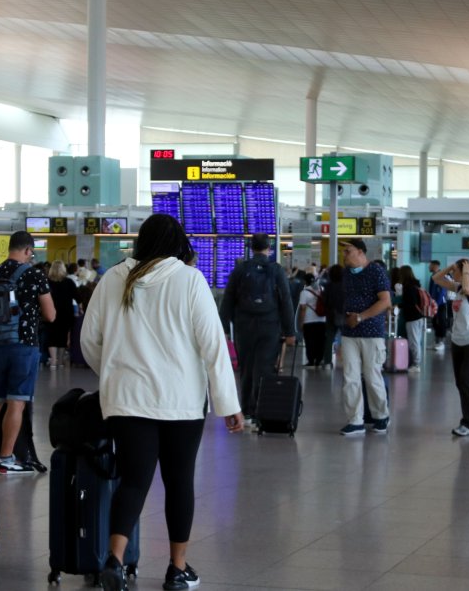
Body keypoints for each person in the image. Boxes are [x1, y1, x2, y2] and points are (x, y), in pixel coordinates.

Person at [80, 214, 243, 591]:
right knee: (178, 482)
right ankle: (177, 569)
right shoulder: (189, 280)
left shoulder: (114, 279)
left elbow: (89, 340)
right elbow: (213, 345)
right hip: (180, 401)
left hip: (127, 399)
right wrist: (227, 403)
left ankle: (115, 560)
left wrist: (113, 372)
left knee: (134, 479)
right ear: (177, 243)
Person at [0, 231, 56, 474]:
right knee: (16, 403)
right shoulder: (34, 274)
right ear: (29, 250)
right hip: (24, 344)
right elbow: (51, 315)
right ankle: (5, 457)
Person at [219, 233, 295, 428]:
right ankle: (261, 411)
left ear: (251, 248)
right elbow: (286, 301)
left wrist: (225, 327)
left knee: (246, 369)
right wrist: (290, 331)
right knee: (265, 368)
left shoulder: (241, 269)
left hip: (244, 326)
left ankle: (246, 411)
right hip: (269, 326)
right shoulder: (276, 270)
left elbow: (227, 300)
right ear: (269, 248)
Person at [337, 238, 392, 436]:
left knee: (372, 376)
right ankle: (355, 420)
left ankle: (380, 416)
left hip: (371, 333)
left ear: (361, 252)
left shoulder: (376, 271)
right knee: (350, 377)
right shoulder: (346, 274)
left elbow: (385, 301)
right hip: (349, 333)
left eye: (348, 251)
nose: (344, 255)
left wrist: (360, 317)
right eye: (344, 252)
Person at [431, 260, 469, 436]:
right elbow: (436, 278)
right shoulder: (458, 287)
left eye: (455, 271)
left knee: (465, 380)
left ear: (465, 272)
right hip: (457, 341)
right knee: (461, 382)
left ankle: (467, 424)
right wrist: (451, 267)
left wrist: (467, 272)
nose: (452, 274)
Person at [46, 261, 76, 367]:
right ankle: (61, 361)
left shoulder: (47, 282)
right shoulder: (69, 282)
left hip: (50, 311)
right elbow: (77, 296)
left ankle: (53, 360)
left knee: (51, 335)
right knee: (63, 336)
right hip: (66, 313)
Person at [396, 266, 425, 370]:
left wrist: (398, 305)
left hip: (412, 317)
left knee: (414, 341)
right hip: (417, 316)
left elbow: (410, 303)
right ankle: (415, 362)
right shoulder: (415, 285)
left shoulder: (408, 287)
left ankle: (416, 364)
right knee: (415, 340)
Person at [296, 272, 326, 367]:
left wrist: (301, 322)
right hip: (322, 320)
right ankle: (319, 360)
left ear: (305, 281)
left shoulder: (304, 293)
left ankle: (311, 360)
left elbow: (303, 309)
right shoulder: (322, 289)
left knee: (310, 341)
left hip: (309, 321)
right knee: (320, 341)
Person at [320, 264, 346, 368]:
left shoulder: (328, 286)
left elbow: (324, 301)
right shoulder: (346, 286)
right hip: (344, 315)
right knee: (346, 339)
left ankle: (327, 361)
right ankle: (346, 360)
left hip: (331, 314)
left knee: (329, 338)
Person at [427, 260, 451, 351]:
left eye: (430, 265)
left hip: (441, 303)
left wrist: (436, 303)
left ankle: (442, 342)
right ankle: (436, 341)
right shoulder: (432, 276)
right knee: (434, 322)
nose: (429, 267)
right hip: (433, 303)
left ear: (435, 266)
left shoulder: (441, 276)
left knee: (441, 322)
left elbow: (442, 291)